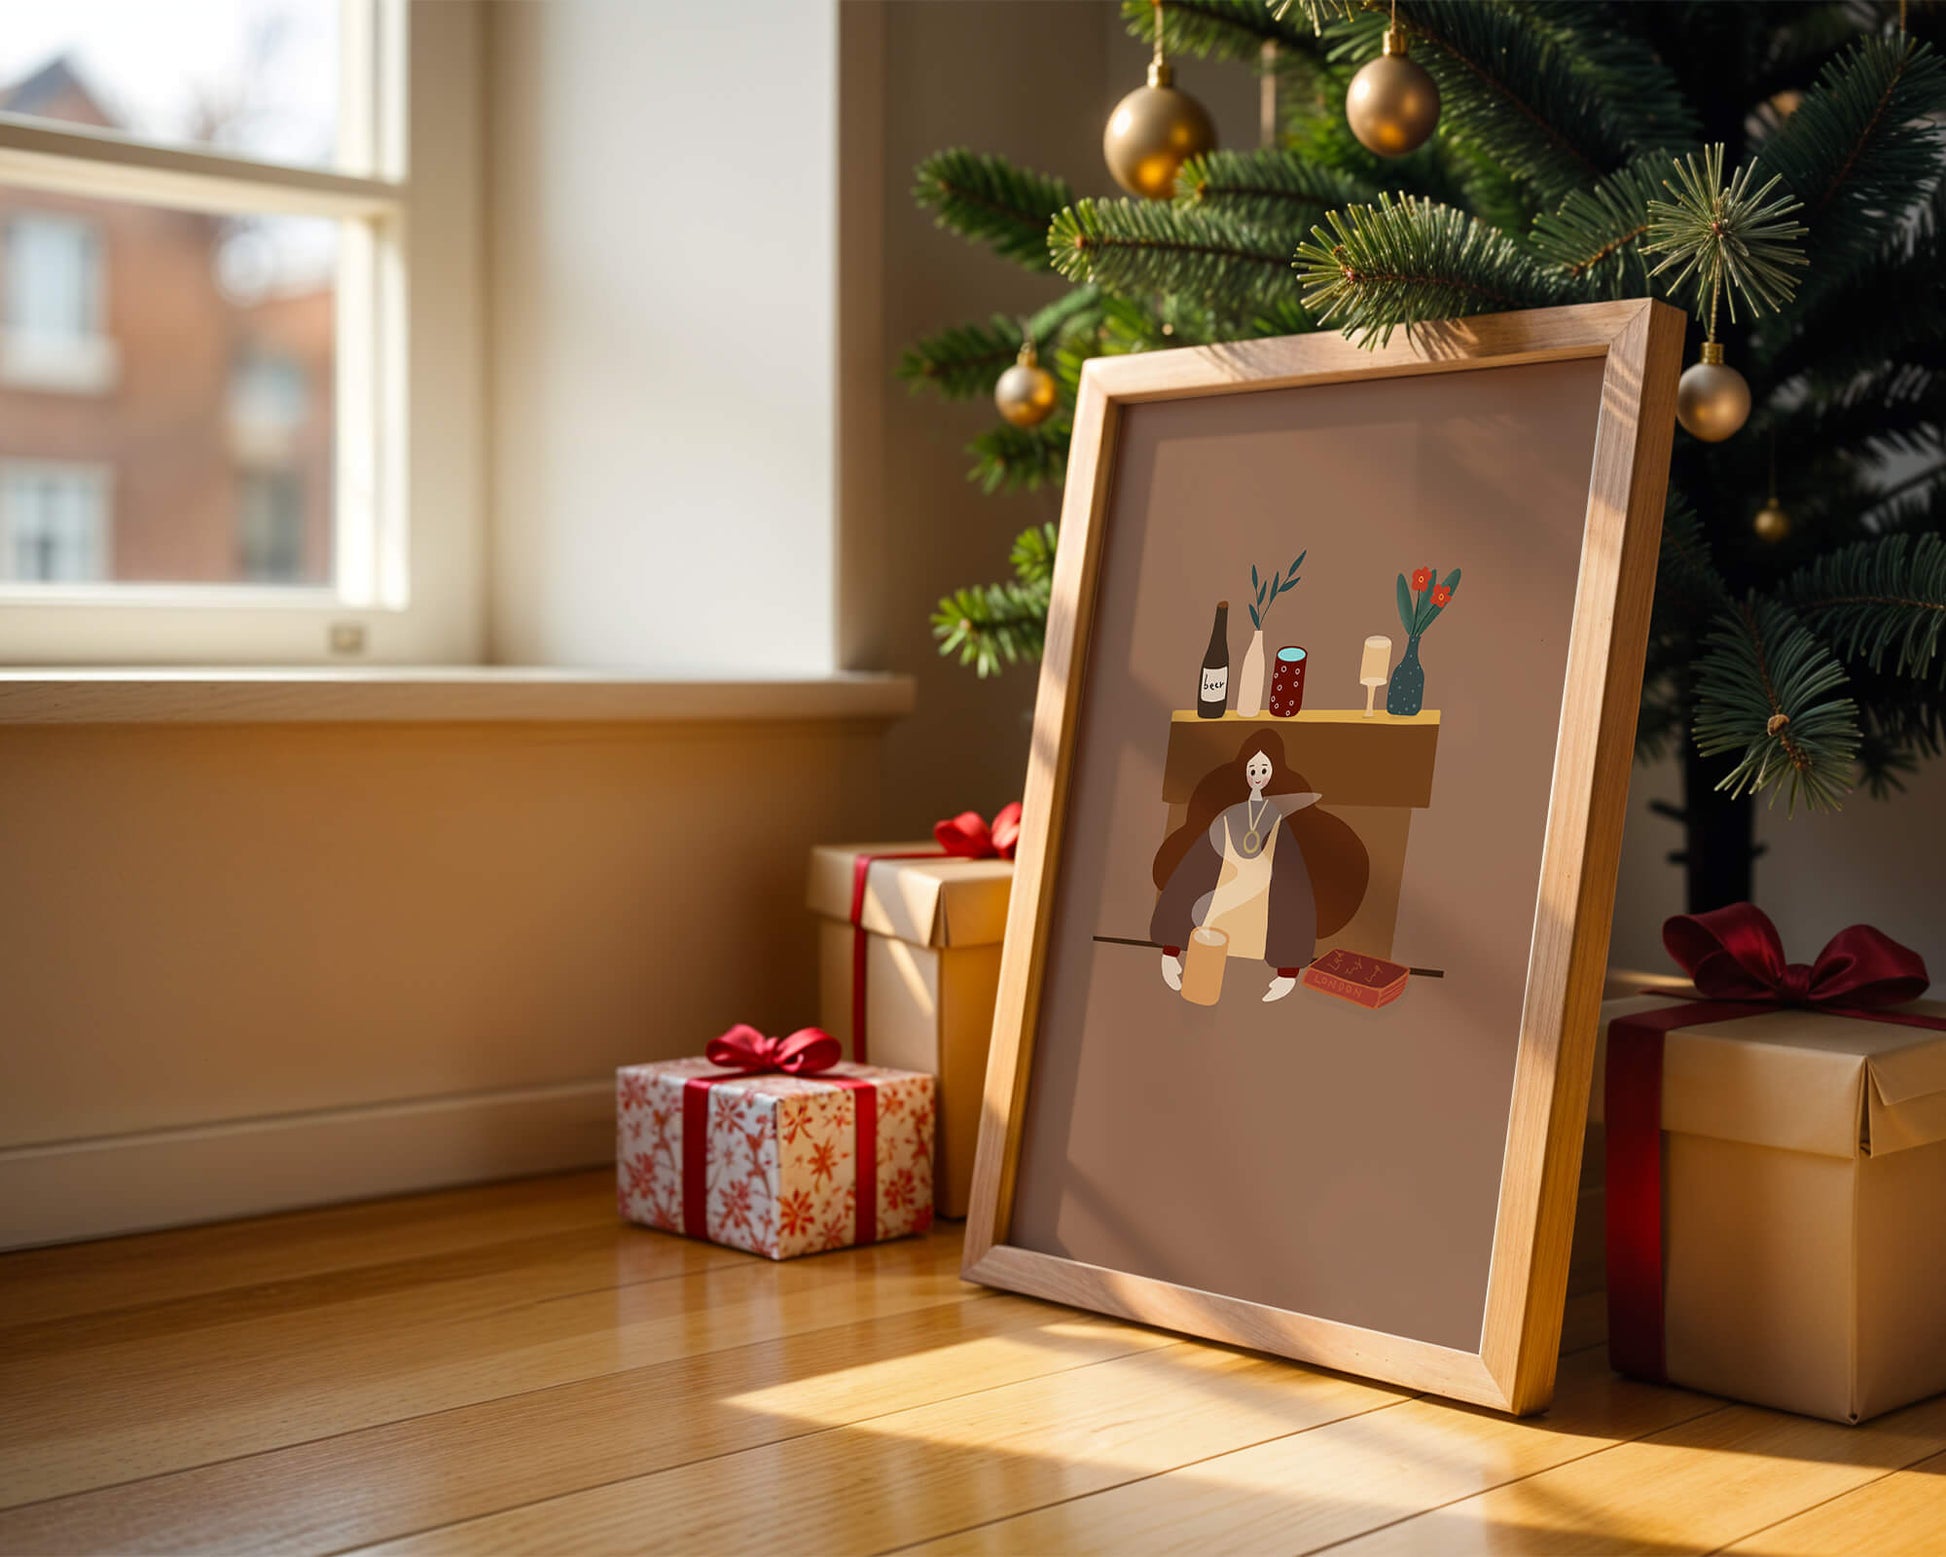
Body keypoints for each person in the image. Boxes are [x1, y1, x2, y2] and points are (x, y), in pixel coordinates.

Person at [1150, 729, 1369, 1002]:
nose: (1257, 775)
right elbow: (1191, 878)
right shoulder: (1227, 817)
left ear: (1272, 774)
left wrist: (1287, 970)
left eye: (1263, 769)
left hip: (1259, 932)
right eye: (1252, 768)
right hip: (1212, 935)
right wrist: (1171, 950)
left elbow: (1291, 893)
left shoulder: (1280, 824)